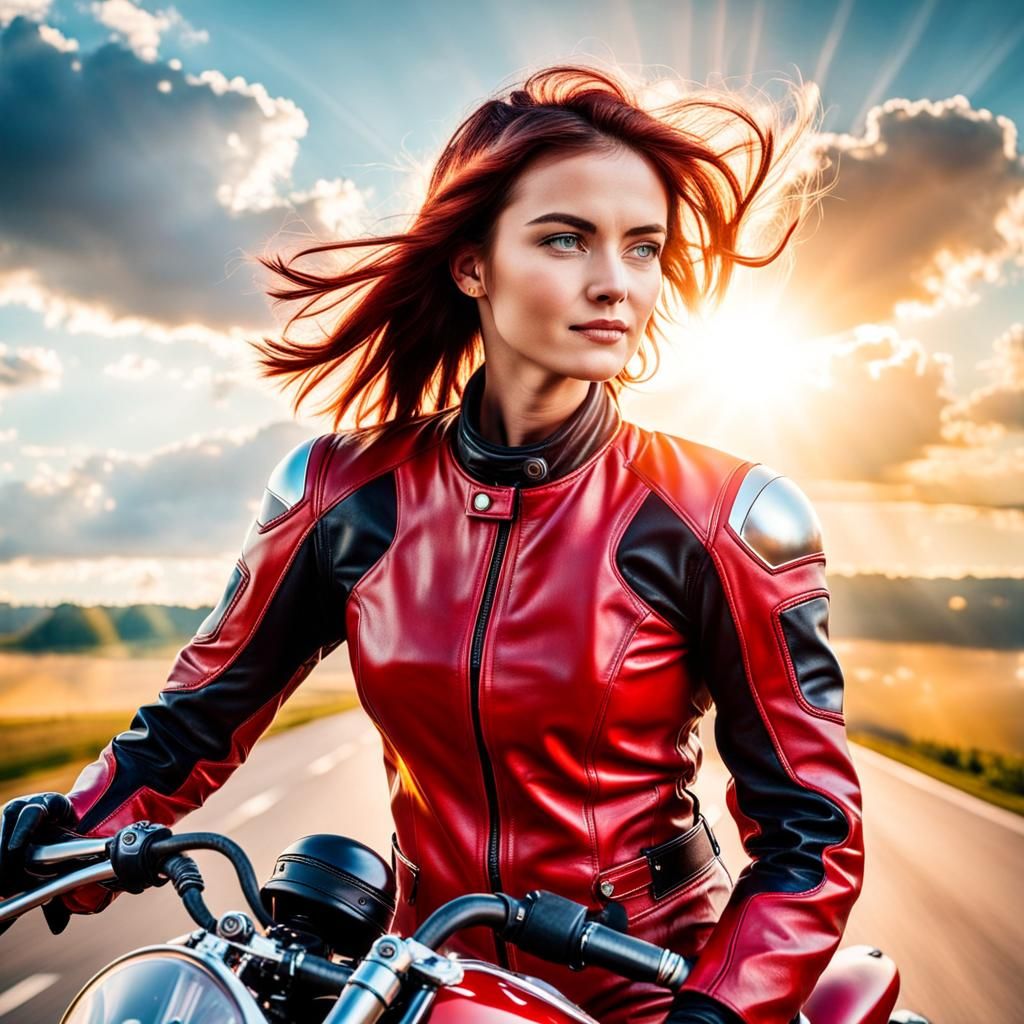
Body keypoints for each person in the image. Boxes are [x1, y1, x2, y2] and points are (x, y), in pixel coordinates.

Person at [0, 64, 863, 1024]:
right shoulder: (340, 493)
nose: (615, 283)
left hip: (649, 989)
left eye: (643, 247)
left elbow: (812, 833)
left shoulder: (722, 515)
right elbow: (192, 724)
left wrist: (720, 1010)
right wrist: (65, 832)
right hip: (412, 982)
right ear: (471, 265)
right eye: (566, 239)